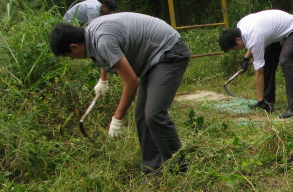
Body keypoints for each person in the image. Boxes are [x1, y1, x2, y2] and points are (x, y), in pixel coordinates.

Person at [48, 13, 191, 174]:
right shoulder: (91, 32)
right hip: (151, 59)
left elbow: (132, 82)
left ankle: (180, 168)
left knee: (154, 114)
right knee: (142, 117)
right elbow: (107, 54)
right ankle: (152, 169)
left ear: (75, 47)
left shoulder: (103, 40)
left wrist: (117, 117)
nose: (72, 59)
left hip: (169, 52)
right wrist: (103, 80)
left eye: (69, 56)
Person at [218, 10, 293, 119]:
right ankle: (268, 103)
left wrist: (259, 100)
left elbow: (259, 73)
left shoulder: (254, 37)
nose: (236, 50)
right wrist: (246, 58)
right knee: (268, 60)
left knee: (285, 61)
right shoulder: (241, 26)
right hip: (277, 33)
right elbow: (251, 41)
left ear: (237, 39)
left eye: (234, 48)